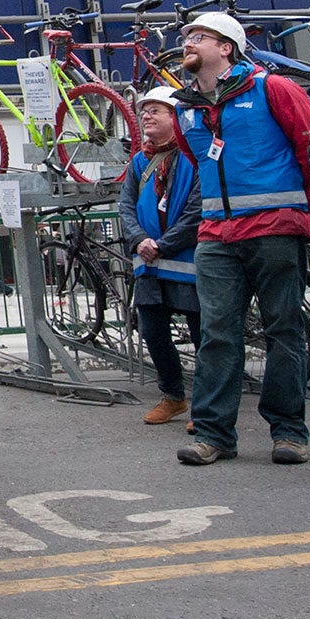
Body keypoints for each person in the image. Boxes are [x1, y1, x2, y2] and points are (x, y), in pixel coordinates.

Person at [172, 11, 310, 466]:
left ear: (227, 47)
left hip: (275, 228)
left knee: (284, 330)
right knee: (217, 332)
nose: (188, 43)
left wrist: (303, 213)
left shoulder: (272, 88)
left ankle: (289, 432)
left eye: (199, 36)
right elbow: (197, 162)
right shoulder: (187, 109)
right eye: (186, 37)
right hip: (217, 235)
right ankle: (214, 434)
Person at [116, 87, 201, 425]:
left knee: (203, 336)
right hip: (148, 267)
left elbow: (198, 208)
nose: (147, 116)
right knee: (153, 333)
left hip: (188, 263)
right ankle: (173, 396)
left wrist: (163, 244)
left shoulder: (195, 156)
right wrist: (139, 240)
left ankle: (207, 407)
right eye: (144, 111)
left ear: (175, 117)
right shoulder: (139, 161)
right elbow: (125, 206)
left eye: (156, 110)